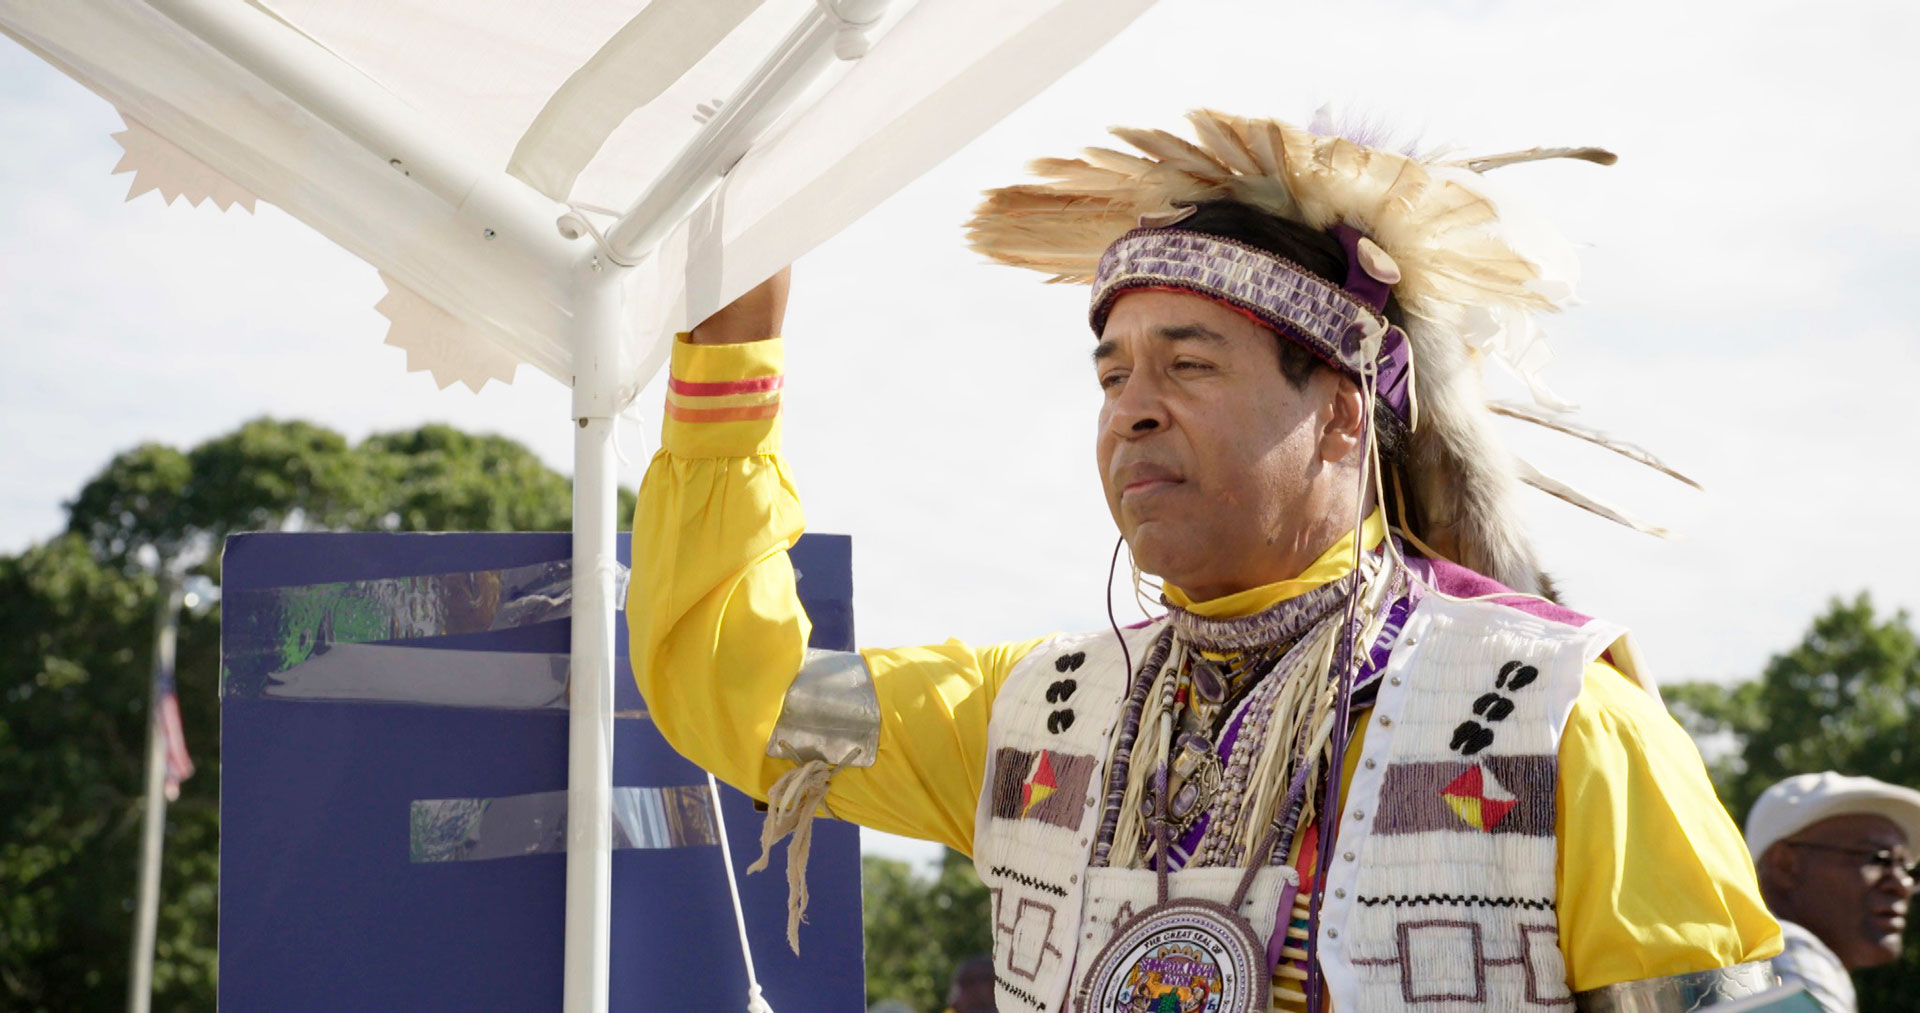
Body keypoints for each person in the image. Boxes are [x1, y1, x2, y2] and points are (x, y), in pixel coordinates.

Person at [630, 111, 1782, 1011]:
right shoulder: (1038, 716)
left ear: (1339, 412)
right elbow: (746, 694)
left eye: (1187, 366)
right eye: (1112, 374)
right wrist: (731, 362)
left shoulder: (1556, 724)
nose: (1132, 410)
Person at [1745, 772, 1920, 1012]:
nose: (1903, 885)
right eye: (1878, 859)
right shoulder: (1786, 947)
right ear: (1785, 865)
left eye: (1907, 868)